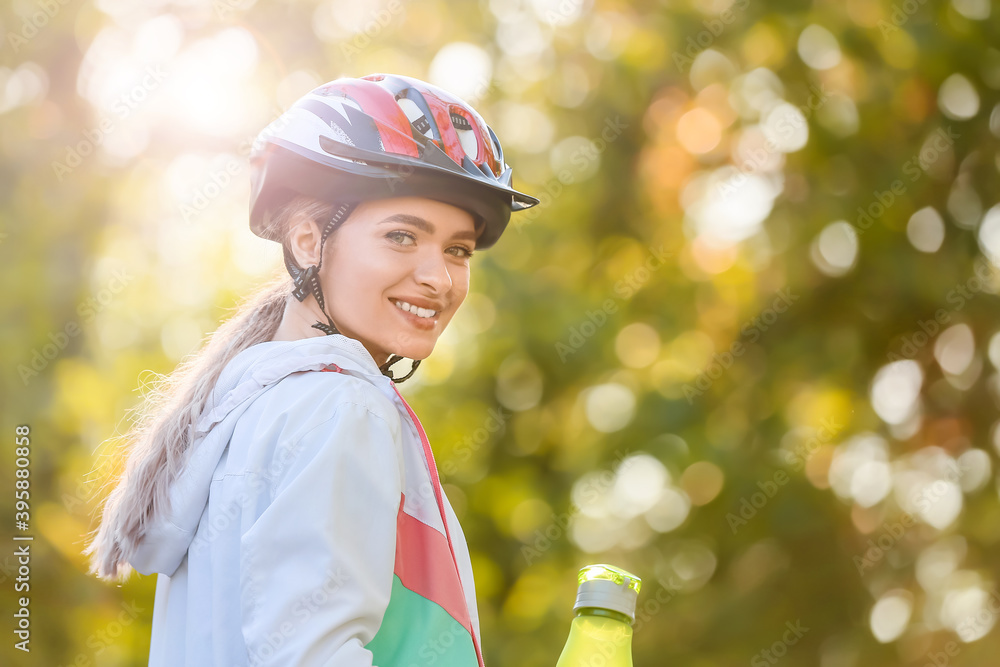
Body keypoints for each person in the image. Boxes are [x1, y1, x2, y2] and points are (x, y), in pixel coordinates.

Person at [85, 72, 539, 666]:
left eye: (457, 249)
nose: (440, 277)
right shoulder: (341, 405)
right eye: (402, 236)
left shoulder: (247, 406)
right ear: (307, 242)